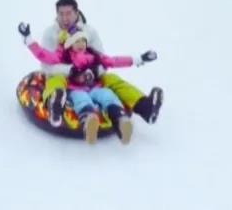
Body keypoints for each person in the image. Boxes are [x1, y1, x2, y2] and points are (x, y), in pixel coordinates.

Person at [18, 22, 157, 144]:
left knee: (107, 95)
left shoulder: (94, 55)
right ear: (70, 44)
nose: (80, 44)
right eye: (76, 42)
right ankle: (89, 121)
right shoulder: (64, 56)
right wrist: (28, 39)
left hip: (95, 87)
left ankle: (120, 120)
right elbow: (43, 55)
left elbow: (114, 61)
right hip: (75, 88)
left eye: (83, 41)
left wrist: (139, 59)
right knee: (82, 99)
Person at [35, 0, 164, 128]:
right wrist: (71, 71)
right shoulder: (50, 34)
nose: (64, 18)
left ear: (77, 13)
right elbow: (47, 67)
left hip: (91, 78)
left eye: (68, 13)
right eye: (61, 14)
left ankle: (145, 107)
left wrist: (95, 71)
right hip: (64, 77)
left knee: (112, 78)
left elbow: (104, 60)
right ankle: (55, 105)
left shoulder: (89, 32)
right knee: (55, 80)